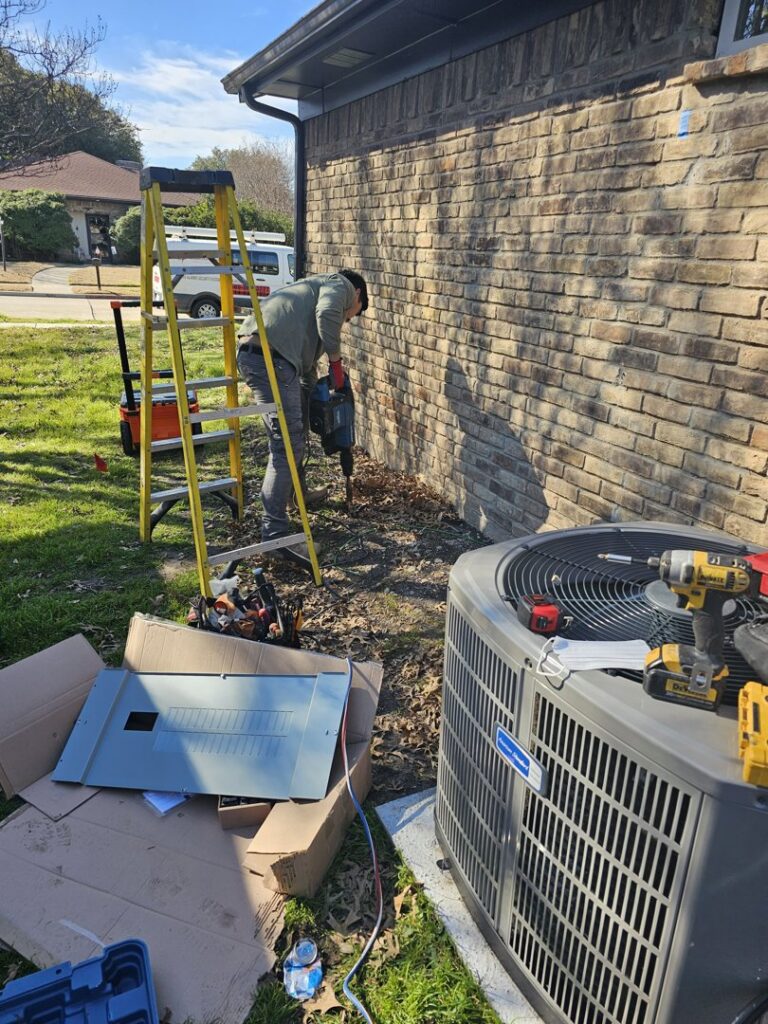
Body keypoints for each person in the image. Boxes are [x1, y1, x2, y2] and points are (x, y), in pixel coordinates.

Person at [236, 268, 368, 562]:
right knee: (286, 446)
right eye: (351, 316)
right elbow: (327, 317)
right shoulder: (341, 285)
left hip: (263, 355)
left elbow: (305, 367)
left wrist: (313, 403)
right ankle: (275, 537)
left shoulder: (307, 295)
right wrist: (336, 364)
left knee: (296, 434)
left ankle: (297, 494)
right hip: (270, 360)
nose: (346, 320)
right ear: (357, 295)